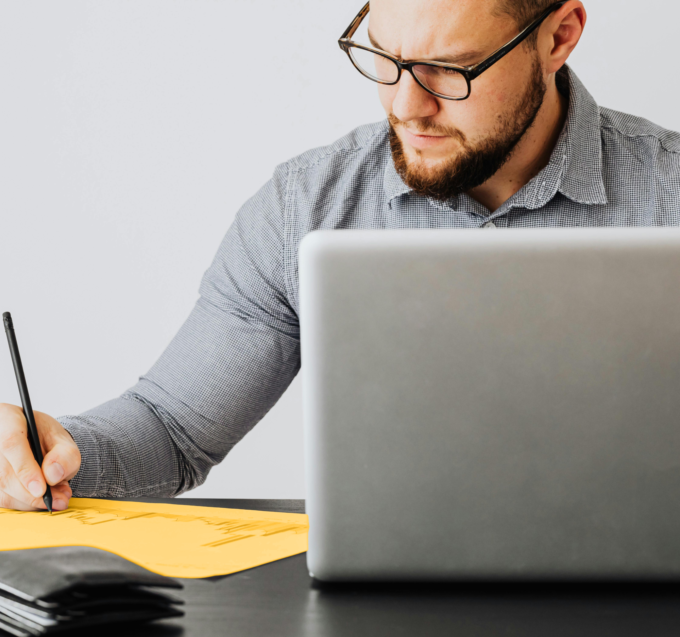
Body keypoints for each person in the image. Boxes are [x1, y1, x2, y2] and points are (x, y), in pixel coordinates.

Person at [1, 0, 679, 512]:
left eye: (449, 69)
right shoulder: (305, 206)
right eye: (385, 57)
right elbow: (173, 430)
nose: (406, 105)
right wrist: (52, 452)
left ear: (559, 36)